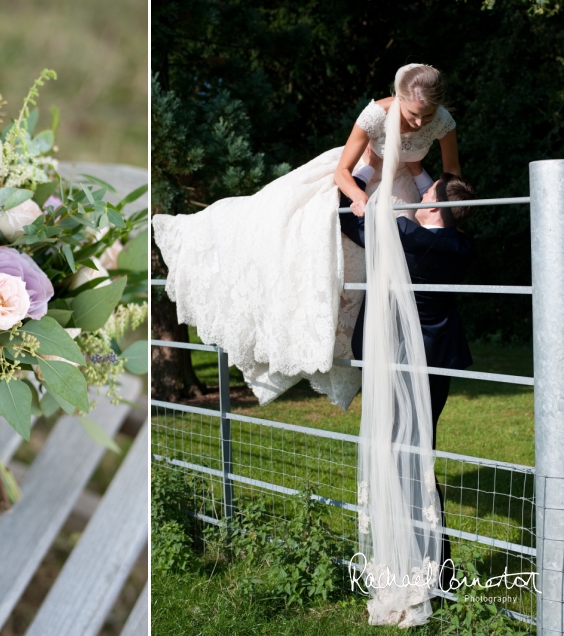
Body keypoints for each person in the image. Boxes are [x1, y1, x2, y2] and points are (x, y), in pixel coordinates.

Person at [152, 63, 460, 410]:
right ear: (399, 97)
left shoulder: (443, 122)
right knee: (291, 230)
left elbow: (452, 178)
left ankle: (387, 357)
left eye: (427, 115)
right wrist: (359, 197)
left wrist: (432, 193)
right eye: (413, 114)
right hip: (361, 178)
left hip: (406, 191)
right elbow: (343, 171)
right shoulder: (375, 114)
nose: (420, 124)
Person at [340, 149, 477, 592]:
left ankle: (420, 566)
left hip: (398, 360)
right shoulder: (460, 244)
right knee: (419, 453)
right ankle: (435, 565)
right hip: (437, 360)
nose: (419, 195)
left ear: (431, 206)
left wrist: (358, 175)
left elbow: (346, 215)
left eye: (425, 194)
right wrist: (417, 170)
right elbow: (437, 204)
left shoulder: (403, 233)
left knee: (399, 456)